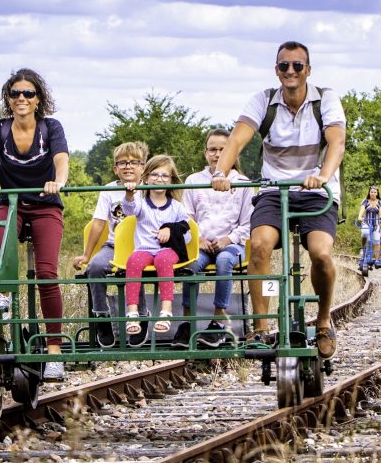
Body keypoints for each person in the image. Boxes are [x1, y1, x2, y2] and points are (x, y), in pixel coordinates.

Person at [211, 41, 346, 359]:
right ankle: (260, 328)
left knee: (321, 254)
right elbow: (238, 137)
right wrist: (221, 171)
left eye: (297, 66)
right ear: (276, 70)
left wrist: (323, 175)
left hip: (315, 191)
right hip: (275, 190)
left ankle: (324, 320)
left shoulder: (325, 99)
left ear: (307, 70)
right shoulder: (264, 100)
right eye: (284, 66)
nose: (290, 71)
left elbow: (336, 142)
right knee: (258, 246)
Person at [0, 68, 70, 381]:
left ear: (38, 98)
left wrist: (58, 182)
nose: (21, 98)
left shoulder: (50, 127)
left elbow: (61, 159)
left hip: (44, 205)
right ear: (8, 98)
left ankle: (55, 351)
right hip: (12, 202)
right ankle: (2, 294)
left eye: (28, 93)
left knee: (46, 274)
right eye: (15, 93)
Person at [73, 141, 150, 347]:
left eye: (134, 162)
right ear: (115, 168)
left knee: (136, 265)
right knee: (95, 268)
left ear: (143, 167)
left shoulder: (150, 187)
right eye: (122, 162)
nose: (128, 166)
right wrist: (87, 255)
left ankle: (140, 315)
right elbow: (99, 223)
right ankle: (102, 316)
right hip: (114, 246)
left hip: (142, 246)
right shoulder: (108, 191)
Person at [182, 129, 253, 347]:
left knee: (224, 261)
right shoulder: (194, 180)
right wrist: (198, 239)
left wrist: (228, 239)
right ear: (205, 153)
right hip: (202, 244)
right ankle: (187, 321)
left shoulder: (242, 182)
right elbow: (185, 218)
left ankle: (218, 319)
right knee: (190, 265)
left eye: (223, 150)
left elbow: (248, 223)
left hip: (232, 245)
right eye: (212, 150)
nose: (217, 154)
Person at [121, 155, 191, 338]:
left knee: (163, 260)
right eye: (155, 175)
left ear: (171, 180)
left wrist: (171, 231)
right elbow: (129, 210)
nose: (160, 179)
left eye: (165, 176)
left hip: (166, 250)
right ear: (146, 178)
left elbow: (188, 234)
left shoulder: (176, 207)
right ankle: (132, 313)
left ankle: (166, 310)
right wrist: (129, 194)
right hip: (145, 249)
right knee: (133, 261)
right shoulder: (142, 204)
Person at [357, 186, 381, 263]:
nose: (373, 194)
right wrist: (360, 216)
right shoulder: (365, 201)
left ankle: (377, 260)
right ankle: (363, 248)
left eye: (375, 192)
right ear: (369, 193)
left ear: (377, 193)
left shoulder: (380, 202)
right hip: (366, 223)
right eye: (371, 192)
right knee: (365, 233)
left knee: (377, 242)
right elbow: (362, 210)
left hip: (376, 225)